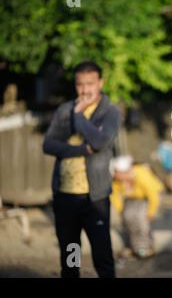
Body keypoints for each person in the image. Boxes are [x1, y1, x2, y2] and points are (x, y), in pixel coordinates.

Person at [43, 61, 120, 278]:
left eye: (90, 84)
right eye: (80, 85)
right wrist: (79, 149)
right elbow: (48, 144)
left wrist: (79, 115)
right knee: (70, 259)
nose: (85, 90)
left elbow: (99, 142)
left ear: (100, 83)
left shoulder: (110, 112)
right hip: (65, 198)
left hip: (95, 199)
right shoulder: (64, 110)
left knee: (102, 257)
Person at [111, 155, 164, 258]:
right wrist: (121, 210)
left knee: (141, 219)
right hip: (133, 198)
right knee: (128, 218)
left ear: (124, 171)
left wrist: (151, 212)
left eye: (117, 173)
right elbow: (115, 196)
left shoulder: (141, 174)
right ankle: (134, 246)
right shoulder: (118, 180)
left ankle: (146, 247)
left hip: (149, 198)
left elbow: (153, 195)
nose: (115, 175)